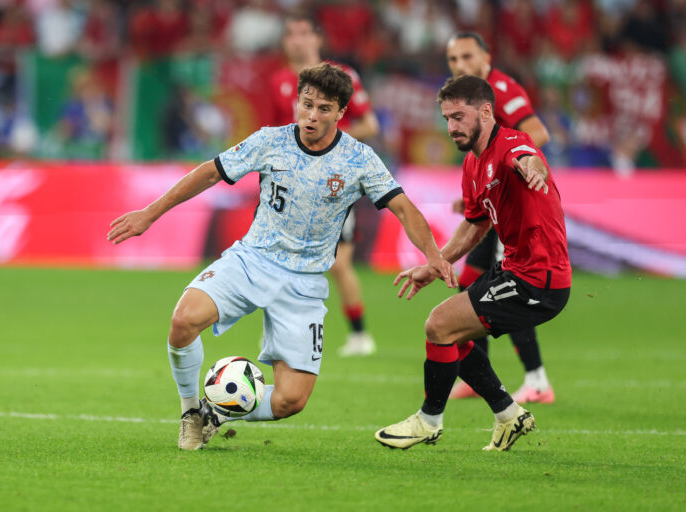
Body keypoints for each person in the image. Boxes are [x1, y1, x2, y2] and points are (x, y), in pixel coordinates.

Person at [107, 63, 456, 451]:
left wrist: (433, 256)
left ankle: (215, 413)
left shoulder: (360, 159)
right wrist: (148, 214)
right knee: (183, 321)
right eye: (306, 104)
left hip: (304, 283)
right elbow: (209, 173)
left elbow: (405, 208)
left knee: (291, 401)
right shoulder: (270, 141)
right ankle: (191, 414)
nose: (312, 115)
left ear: (341, 112)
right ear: (297, 101)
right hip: (252, 259)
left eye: (324, 108)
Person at [375, 75, 571, 451]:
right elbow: (473, 228)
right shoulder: (471, 165)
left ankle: (429, 420)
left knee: (440, 325)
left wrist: (535, 169)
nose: (451, 127)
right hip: (514, 270)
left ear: (485, 111)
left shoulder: (511, 143)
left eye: (459, 117)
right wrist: (432, 266)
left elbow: (529, 158)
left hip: (538, 278)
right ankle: (508, 414)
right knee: (451, 332)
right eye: (446, 118)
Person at [445, 31, 555, 404]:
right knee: (470, 283)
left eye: (467, 57)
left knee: (509, 288)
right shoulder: (469, 98)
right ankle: (480, 376)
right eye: (453, 60)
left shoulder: (500, 89)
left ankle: (537, 380)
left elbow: (536, 132)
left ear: (486, 55)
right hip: (495, 208)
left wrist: (523, 169)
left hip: (518, 212)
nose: (460, 65)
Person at [269, 13, 380, 357]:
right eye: (291, 34)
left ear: (317, 39)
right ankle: (282, 336)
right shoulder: (279, 81)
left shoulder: (341, 77)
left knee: (338, 263)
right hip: (294, 183)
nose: (297, 40)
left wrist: (327, 140)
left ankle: (360, 334)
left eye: (304, 33)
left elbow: (370, 125)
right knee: (280, 259)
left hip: (335, 182)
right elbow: (280, 132)